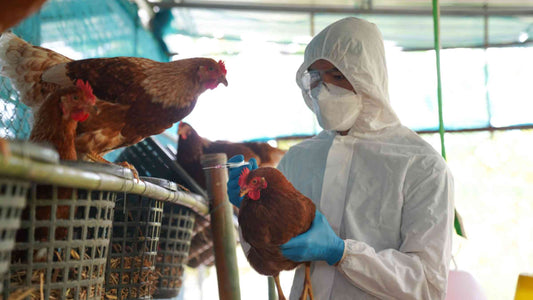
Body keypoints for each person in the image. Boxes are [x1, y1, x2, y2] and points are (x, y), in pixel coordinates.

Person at [227, 17, 454, 300]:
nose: (324, 91)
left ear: (367, 75)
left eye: (337, 75)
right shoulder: (298, 159)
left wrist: (342, 253)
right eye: (316, 79)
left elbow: (427, 285)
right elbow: (269, 261)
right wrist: (248, 213)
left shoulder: (421, 166)